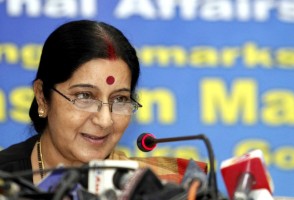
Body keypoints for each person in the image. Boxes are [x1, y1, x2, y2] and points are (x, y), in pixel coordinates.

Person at [0, 20, 206, 187]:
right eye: (84, 96)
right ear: (42, 97)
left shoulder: (160, 187)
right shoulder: (5, 179)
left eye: (120, 99)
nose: (105, 120)